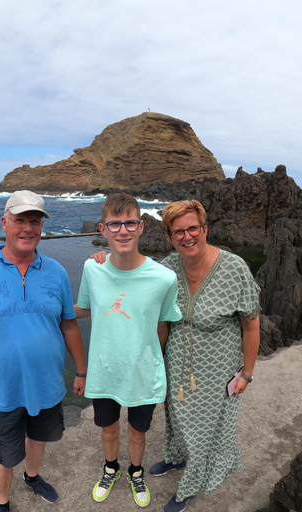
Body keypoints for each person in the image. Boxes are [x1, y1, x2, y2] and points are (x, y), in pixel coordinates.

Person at [0, 190, 87, 512]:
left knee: (38, 440)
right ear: (4, 223)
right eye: (20, 220)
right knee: (3, 453)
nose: (28, 228)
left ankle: (33, 476)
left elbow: (69, 325)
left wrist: (81, 370)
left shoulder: (57, 272)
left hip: (48, 385)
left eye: (35, 221)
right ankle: (2, 502)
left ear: (42, 226)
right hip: (2, 390)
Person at [151, 200, 260, 512]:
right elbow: (155, 315)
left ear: (205, 229)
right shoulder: (167, 269)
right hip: (176, 364)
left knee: (202, 429)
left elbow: (251, 326)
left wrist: (247, 374)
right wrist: (105, 258)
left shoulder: (235, 269)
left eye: (192, 229)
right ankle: (176, 457)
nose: (187, 237)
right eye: (178, 232)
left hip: (216, 370)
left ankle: (188, 488)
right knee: (176, 416)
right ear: (170, 237)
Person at [75, 193, 182, 508]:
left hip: (142, 373)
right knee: (108, 432)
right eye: (115, 224)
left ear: (140, 227)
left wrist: (153, 359)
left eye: (130, 223)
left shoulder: (164, 278)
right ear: (103, 229)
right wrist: (39, 308)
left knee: (138, 434)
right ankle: (111, 468)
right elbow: (82, 309)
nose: (123, 230)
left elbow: (164, 325)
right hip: (104, 371)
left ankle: (136, 472)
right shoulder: (92, 269)